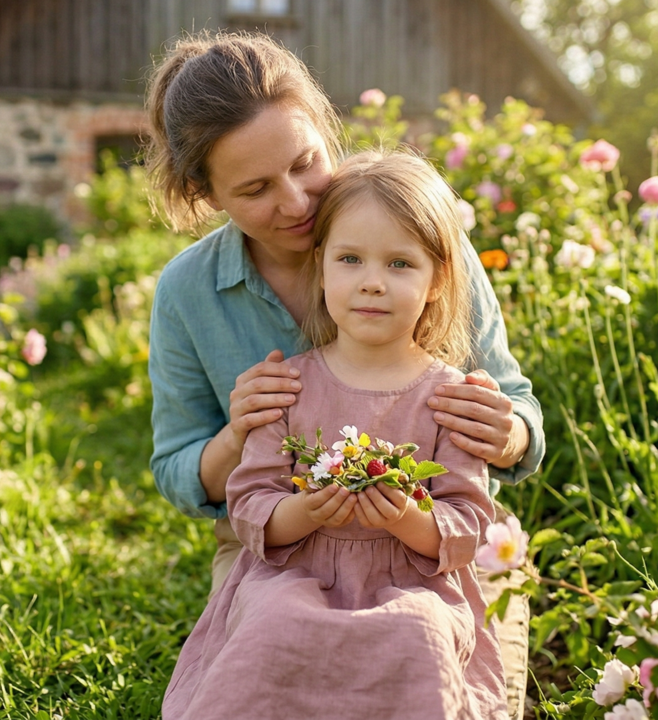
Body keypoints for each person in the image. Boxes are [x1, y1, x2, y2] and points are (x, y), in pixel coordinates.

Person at [146, 31, 541, 716]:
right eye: (256, 188)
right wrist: (241, 433)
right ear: (204, 192)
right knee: (270, 658)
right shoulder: (188, 292)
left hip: (432, 547)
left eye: (306, 163)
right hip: (283, 545)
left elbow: (515, 418)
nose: (297, 201)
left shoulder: (416, 233)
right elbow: (181, 471)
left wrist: (504, 433)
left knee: (444, 668)